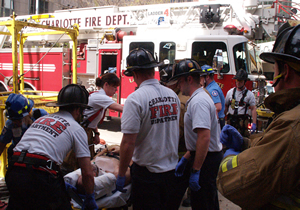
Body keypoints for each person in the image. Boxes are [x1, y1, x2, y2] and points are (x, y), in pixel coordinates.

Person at [217, 23, 300, 209]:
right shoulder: (231, 92)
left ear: (285, 72)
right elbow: (276, 151)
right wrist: (247, 143)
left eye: (275, 68)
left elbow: (236, 182)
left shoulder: (292, 124)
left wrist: (229, 159)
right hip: (235, 122)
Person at [5, 84, 97, 210]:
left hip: (14, 171)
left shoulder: (41, 119)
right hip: (39, 176)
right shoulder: (76, 128)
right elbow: (87, 172)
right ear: (78, 109)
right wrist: (90, 196)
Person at [115, 48, 180, 209]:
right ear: (153, 69)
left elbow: (128, 143)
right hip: (172, 172)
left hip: (147, 177)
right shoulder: (173, 96)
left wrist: (122, 174)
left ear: (135, 73)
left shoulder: (135, 99)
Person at [170, 59, 223, 209]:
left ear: (189, 79)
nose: (178, 86)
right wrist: (187, 158)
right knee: (208, 200)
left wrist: (196, 169)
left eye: (179, 81)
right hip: (203, 156)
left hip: (206, 159)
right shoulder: (198, 98)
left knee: (203, 202)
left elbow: (204, 137)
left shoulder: (198, 101)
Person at [62, 73, 123, 173]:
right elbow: (122, 109)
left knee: (83, 161)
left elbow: (91, 120)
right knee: (78, 162)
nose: (116, 90)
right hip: (82, 131)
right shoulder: (101, 97)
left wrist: (96, 133)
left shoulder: (98, 96)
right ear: (106, 85)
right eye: (114, 87)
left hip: (86, 131)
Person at [160, 63, 192, 208]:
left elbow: (176, 134)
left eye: (167, 84)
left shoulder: (179, 102)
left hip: (180, 154)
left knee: (172, 197)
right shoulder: (192, 95)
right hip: (188, 153)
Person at [224, 69, 257, 137]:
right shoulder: (230, 92)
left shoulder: (249, 95)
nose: (238, 82)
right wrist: (222, 118)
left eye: (240, 81)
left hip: (242, 123)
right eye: (237, 80)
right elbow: (226, 106)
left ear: (244, 81)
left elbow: (253, 109)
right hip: (231, 121)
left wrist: (254, 123)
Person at [0, 94, 33, 159]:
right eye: (13, 120)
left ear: (28, 113)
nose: (15, 123)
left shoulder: (40, 117)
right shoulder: (10, 125)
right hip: (18, 155)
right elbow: (2, 143)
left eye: (18, 120)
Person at [201, 64, 226, 130]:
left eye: (202, 77)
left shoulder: (212, 90)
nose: (200, 80)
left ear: (207, 77)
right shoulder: (211, 87)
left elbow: (218, 107)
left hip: (217, 121)